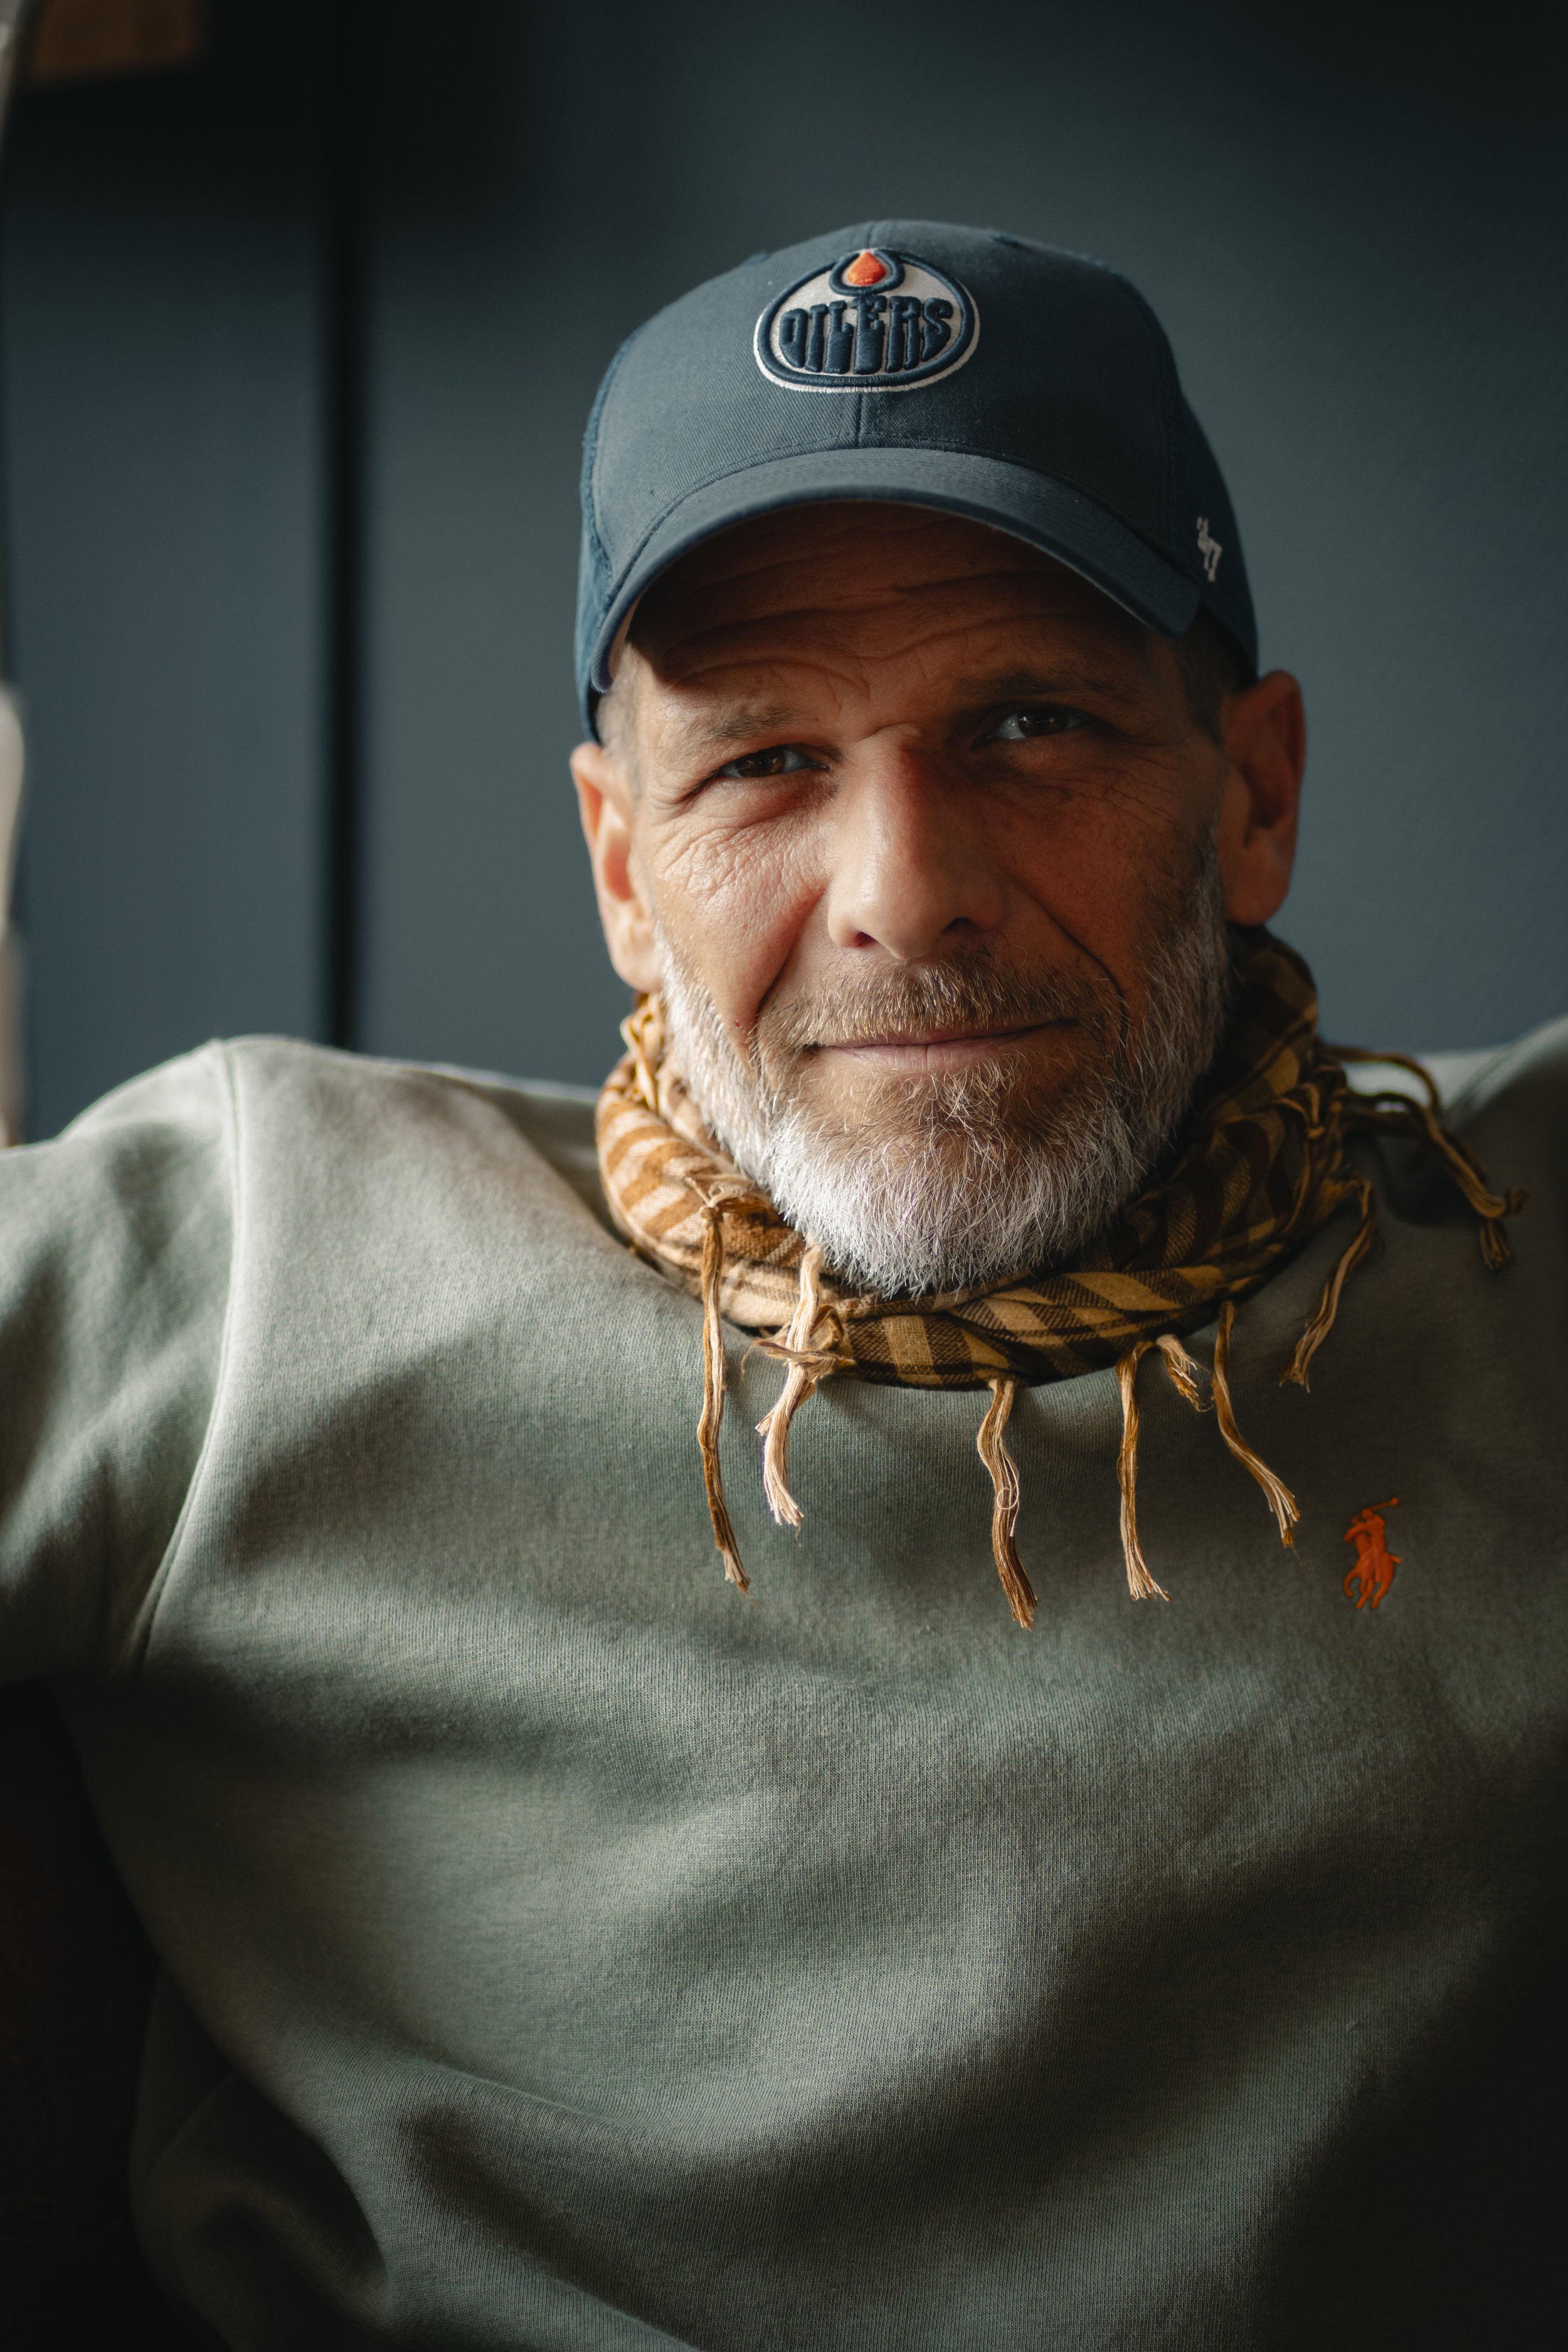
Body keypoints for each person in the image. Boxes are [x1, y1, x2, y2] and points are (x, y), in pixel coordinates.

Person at [1, 221, 1562, 2349]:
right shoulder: (262, 1247)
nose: (903, 893)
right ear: (622, 868)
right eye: (760, 764)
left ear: (1253, 794)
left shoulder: (1516, 1226)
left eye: (1027, 723)